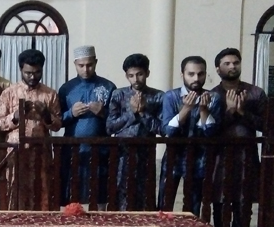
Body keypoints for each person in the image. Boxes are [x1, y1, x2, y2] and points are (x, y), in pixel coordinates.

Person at [210, 48, 267, 227]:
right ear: (218, 69)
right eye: (227, 63)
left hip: (246, 158)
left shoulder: (256, 93)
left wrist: (242, 112)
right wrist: (229, 111)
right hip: (220, 159)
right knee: (220, 207)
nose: (232, 66)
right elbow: (210, 130)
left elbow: (265, 125)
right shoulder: (212, 95)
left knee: (244, 208)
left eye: (235, 63)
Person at [0, 49, 62, 209]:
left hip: (41, 152)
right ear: (21, 69)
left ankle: (40, 222)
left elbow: (58, 124)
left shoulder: (50, 94)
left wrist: (46, 115)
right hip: (16, 152)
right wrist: (16, 116)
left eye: (37, 72)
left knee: (42, 190)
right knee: (15, 190)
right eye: (28, 73)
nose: (32, 77)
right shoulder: (9, 93)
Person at [159, 56, 222, 216]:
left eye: (200, 74)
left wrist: (203, 110)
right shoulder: (171, 96)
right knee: (164, 204)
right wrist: (186, 108)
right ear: (182, 74)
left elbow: (211, 133)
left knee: (193, 206)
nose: (196, 78)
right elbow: (168, 131)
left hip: (199, 158)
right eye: (191, 74)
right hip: (174, 157)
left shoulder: (213, 97)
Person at [58, 45, 116, 207]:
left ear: (96, 62)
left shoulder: (108, 87)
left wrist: (103, 112)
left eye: (89, 65)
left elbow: (117, 121)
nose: (85, 69)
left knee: (99, 192)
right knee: (72, 191)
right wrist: (71, 113)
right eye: (81, 65)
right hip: (73, 150)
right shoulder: (67, 89)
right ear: (75, 64)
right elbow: (57, 121)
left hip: (101, 150)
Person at [106, 53, 164, 211]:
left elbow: (162, 129)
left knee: (145, 194)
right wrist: (132, 113)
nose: (136, 79)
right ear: (126, 76)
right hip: (122, 153)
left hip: (146, 152)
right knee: (121, 193)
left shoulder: (158, 96)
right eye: (131, 76)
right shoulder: (119, 94)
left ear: (147, 73)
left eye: (140, 74)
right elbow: (110, 127)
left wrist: (143, 112)